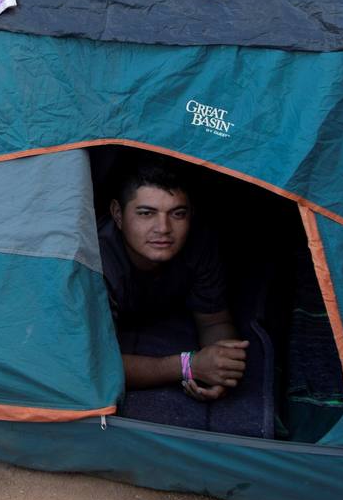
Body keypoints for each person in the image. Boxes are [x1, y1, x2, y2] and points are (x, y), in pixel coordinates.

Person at [98, 159, 247, 428]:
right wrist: (188, 366)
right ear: (118, 214)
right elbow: (95, 362)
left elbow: (214, 320)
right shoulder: (95, 261)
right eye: (146, 213)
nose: (163, 228)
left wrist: (222, 367)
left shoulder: (199, 244)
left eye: (177, 214)